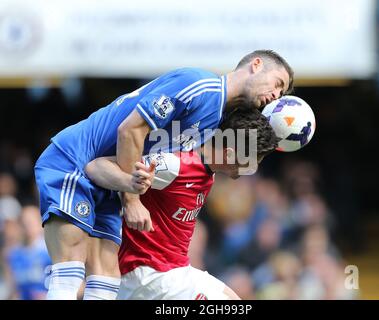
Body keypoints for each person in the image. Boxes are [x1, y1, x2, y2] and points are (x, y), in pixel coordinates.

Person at [34, 50, 293, 299]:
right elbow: (130, 131)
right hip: (75, 159)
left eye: (282, 92)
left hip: (110, 181)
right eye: (277, 83)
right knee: (67, 277)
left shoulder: (214, 120)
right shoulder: (199, 85)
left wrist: (127, 185)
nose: (276, 94)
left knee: (104, 285)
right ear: (256, 64)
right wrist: (132, 200)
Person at [85, 108, 280, 299]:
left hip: (174, 271)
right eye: (254, 161)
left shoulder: (207, 172)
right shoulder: (175, 165)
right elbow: (96, 166)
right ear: (230, 153)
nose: (253, 169)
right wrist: (131, 192)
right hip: (149, 274)